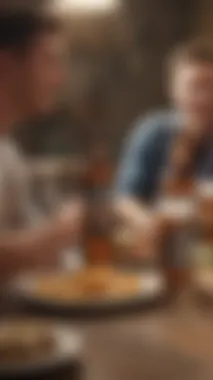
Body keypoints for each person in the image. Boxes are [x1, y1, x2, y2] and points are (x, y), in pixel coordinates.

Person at [114, 40, 213, 254]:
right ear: (173, 90)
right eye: (194, 87)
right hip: (160, 247)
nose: (203, 98)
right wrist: (150, 224)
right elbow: (125, 198)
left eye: (212, 86)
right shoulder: (152, 131)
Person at [0, 9, 83, 279]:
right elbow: (41, 246)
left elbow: (42, 251)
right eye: (49, 61)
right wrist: (56, 236)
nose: (59, 78)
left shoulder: (8, 153)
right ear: (6, 65)